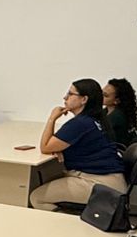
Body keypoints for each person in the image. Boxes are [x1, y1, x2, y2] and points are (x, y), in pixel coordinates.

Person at [27, 79, 126, 210]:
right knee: (49, 178)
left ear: (84, 99)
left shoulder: (80, 123)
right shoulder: (95, 118)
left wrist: (52, 118)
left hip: (99, 184)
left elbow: (45, 147)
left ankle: (66, 222)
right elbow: (62, 144)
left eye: (70, 94)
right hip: (111, 180)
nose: (65, 97)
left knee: (37, 198)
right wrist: (60, 149)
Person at [102, 78, 137, 148]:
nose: (100, 97)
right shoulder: (106, 111)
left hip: (115, 150)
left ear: (117, 101)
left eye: (105, 95)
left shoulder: (116, 116)